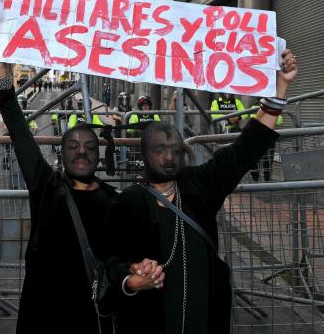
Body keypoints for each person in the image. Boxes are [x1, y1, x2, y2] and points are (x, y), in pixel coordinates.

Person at [108, 50, 298, 333]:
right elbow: (111, 260)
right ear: (145, 155)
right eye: (160, 150)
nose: (170, 157)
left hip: (206, 316)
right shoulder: (129, 201)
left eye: (175, 149)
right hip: (150, 319)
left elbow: (247, 148)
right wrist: (132, 278)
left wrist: (280, 87)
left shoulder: (200, 184)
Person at [0, 45, 163, 334]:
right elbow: (17, 127)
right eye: (73, 146)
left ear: (98, 155)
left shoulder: (114, 201)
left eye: (90, 147)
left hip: (91, 317)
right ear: (61, 154)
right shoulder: (45, 185)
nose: (81, 152)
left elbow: (121, 259)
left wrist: (136, 271)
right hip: (42, 314)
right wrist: (2, 79)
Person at [249, 100, 283, 182]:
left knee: (268, 158)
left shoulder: (274, 106)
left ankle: (267, 178)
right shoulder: (254, 107)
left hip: (269, 136)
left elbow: (280, 121)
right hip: (258, 136)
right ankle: (255, 177)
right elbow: (255, 120)